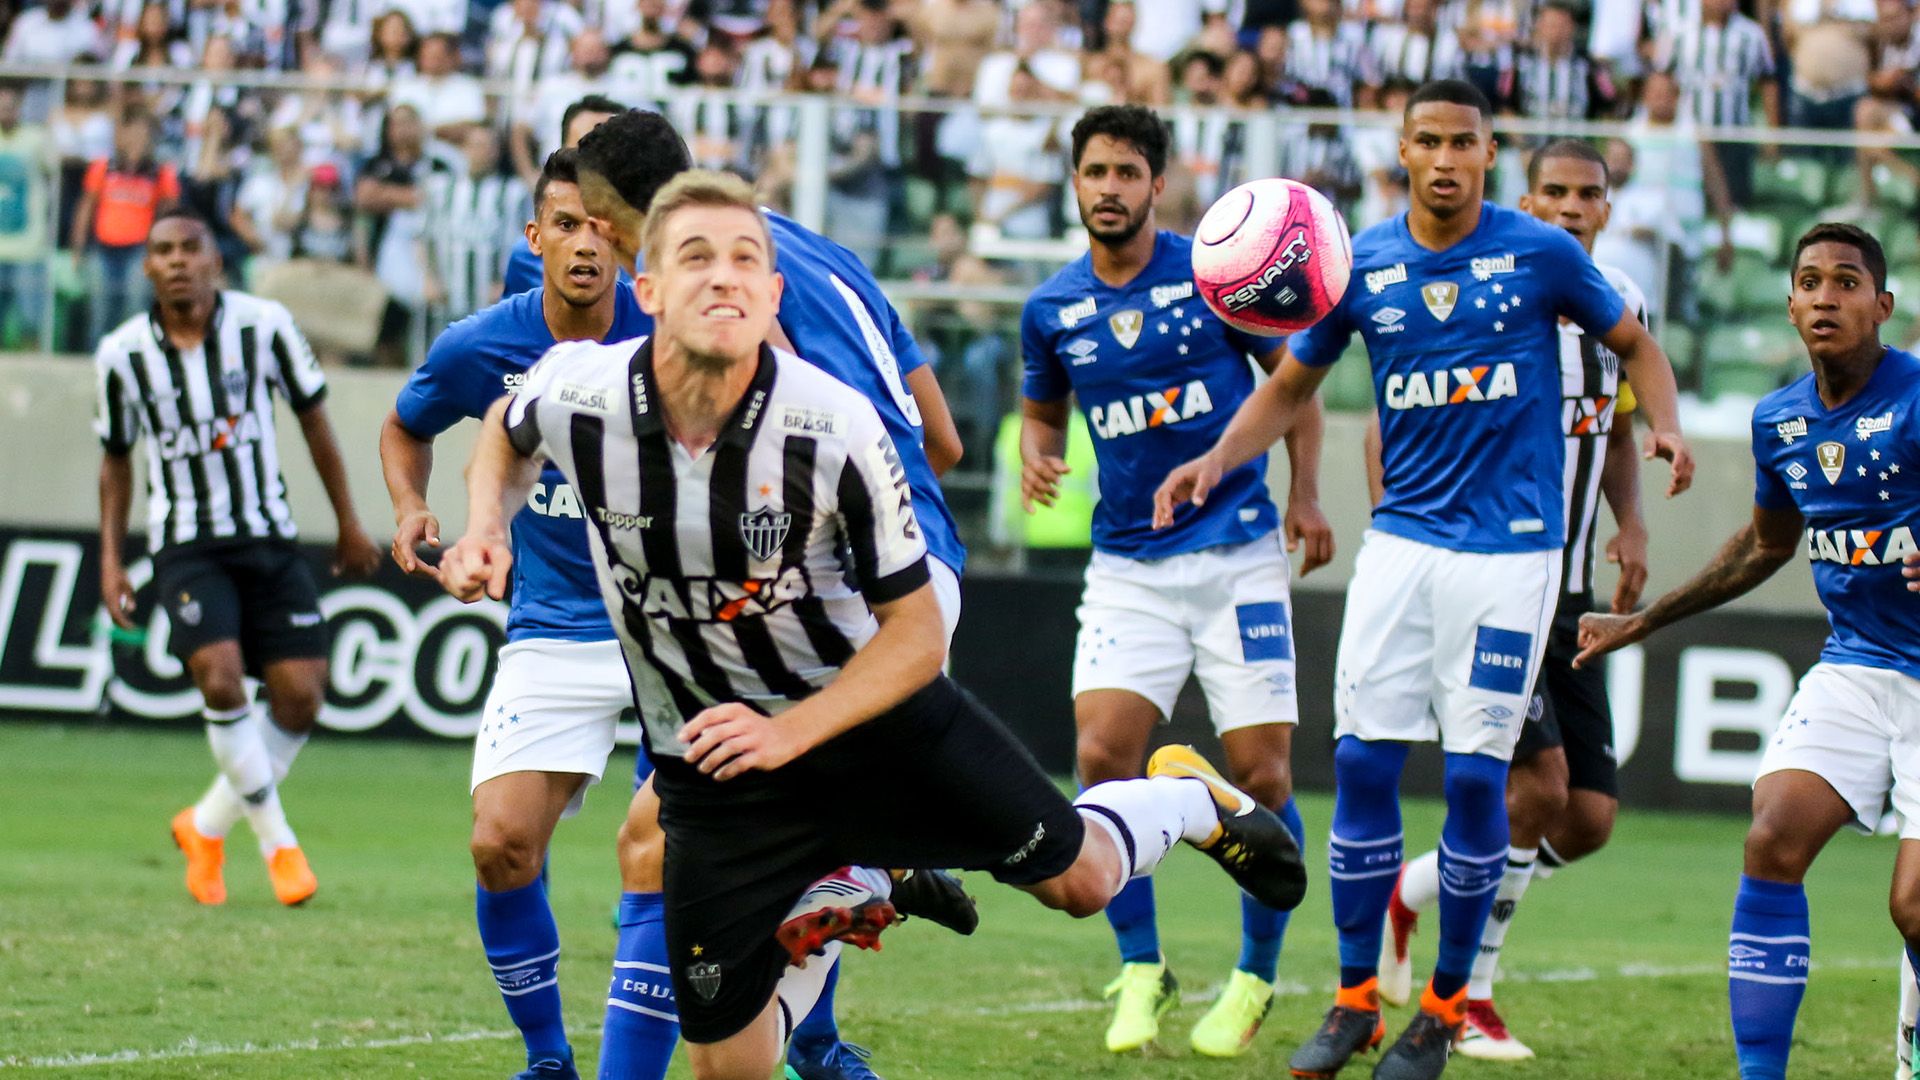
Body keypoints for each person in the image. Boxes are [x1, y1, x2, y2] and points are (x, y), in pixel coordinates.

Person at [438, 167, 1308, 1080]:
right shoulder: (584, 390)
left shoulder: (834, 425)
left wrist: (790, 730)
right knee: (729, 1068)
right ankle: (848, 893)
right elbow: (506, 423)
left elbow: (918, 634)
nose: (724, 276)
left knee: (1082, 881)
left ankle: (1186, 802)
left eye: (747, 258)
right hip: (721, 781)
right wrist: (486, 529)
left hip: (873, 722)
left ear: (775, 294)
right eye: (696, 257)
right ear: (644, 287)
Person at [1153, 79, 1693, 1080]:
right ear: (1400, 150)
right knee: (1360, 763)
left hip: (1515, 552)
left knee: (1478, 776)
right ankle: (1357, 997)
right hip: (1401, 545)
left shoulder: (1541, 253)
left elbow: (1635, 346)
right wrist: (1216, 461)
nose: (1446, 159)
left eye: (1465, 143)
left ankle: (1443, 1009)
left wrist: (1660, 422)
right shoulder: (1362, 263)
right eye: (1429, 141)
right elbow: (1291, 386)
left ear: (1491, 156)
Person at [571, 107, 975, 1080]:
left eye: (594, 222)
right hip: (920, 570)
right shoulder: (815, 252)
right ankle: (868, 892)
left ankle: (882, 859)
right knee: (730, 864)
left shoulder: (717, 295)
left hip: (843, 595)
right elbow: (946, 439)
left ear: (620, 221)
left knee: (657, 842)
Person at [1019, 103, 1332, 1060]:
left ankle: (1254, 977)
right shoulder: (1052, 308)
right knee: (1103, 756)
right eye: (1094, 172)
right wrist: (1039, 454)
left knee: (1263, 775)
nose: (1108, 188)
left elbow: (1297, 385)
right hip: (1126, 566)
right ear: (1074, 184)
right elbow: (1043, 409)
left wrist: (1306, 497)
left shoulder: (1217, 278)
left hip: (1237, 553)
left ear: (1160, 184)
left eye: (1126, 172)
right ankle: (1142, 965)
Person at [1575, 223, 1920, 1080]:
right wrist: (1643, 621)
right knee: (1772, 837)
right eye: (1811, 281)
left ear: (1883, 304)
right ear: (1791, 301)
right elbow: (1766, 546)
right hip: (1860, 665)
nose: (1827, 296)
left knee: (1914, 906)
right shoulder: (1782, 419)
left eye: (1848, 282)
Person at [1377, 137, 1653, 1061]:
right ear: (1526, 201)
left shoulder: (1621, 302)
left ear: (1608, 210)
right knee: (1533, 790)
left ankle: (1415, 890)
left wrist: (1633, 523)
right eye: (1556, 193)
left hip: (1573, 587)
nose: (1573, 209)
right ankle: (1474, 998)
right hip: (1504, 568)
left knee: (1591, 820)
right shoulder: (1506, 295)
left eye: (1590, 195)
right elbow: (1402, 407)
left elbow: (1612, 427)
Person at [379, 149, 650, 1080]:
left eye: (602, 225)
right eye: (565, 226)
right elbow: (404, 425)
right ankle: (548, 1061)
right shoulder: (479, 346)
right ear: (534, 240)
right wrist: (414, 510)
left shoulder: (671, 324)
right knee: (500, 845)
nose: (586, 243)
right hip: (557, 621)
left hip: (681, 630)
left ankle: (799, 1043)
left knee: (675, 861)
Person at [94, 209, 381, 909]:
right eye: (163, 251)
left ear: (216, 261)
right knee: (220, 680)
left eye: (191, 249)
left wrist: (348, 520)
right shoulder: (122, 354)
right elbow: (116, 460)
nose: (177, 262)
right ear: (148, 269)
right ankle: (279, 844)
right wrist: (111, 559)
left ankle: (205, 825)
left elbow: (315, 417)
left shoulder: (265, 326)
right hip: (185, 543)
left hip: (267, 534)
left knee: (301, 696)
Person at [501, 94, 625, 297]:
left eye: (611, 149)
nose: (598, 161)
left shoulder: (653, 252)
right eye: (585, 149)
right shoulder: (530, 255)